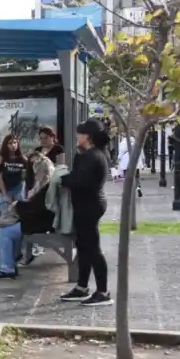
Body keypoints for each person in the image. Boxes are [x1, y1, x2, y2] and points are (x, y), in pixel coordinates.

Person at [60, 118, 113, 306]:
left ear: (88, 136)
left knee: (92, 249)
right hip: (86, 205)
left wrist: (61, 179)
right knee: (83, 247)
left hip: (90, 206)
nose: (77, 136)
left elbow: (77, 180)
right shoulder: (88, 154)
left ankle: (103, 292)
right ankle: (82, 287)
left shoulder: (94, 156)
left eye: (79, 133)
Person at [19, 127, 65, 266]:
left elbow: (61, 167)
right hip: (36, 187)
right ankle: (28, 252)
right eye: (41, 138)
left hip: (49, 188)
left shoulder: (58, 149)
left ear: (52, 137)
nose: (44, 141)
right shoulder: (38, 150)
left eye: (46, 137)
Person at [0, 134, 26, 212]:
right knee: (6, 215)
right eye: (10, 143)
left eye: (15, 143)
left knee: (19, 214)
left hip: (18, 190)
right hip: (5, 190)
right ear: (6, 145)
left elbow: (30, 172)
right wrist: (5, 195)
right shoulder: (1, 158)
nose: (13, 145)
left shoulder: (22, 158)